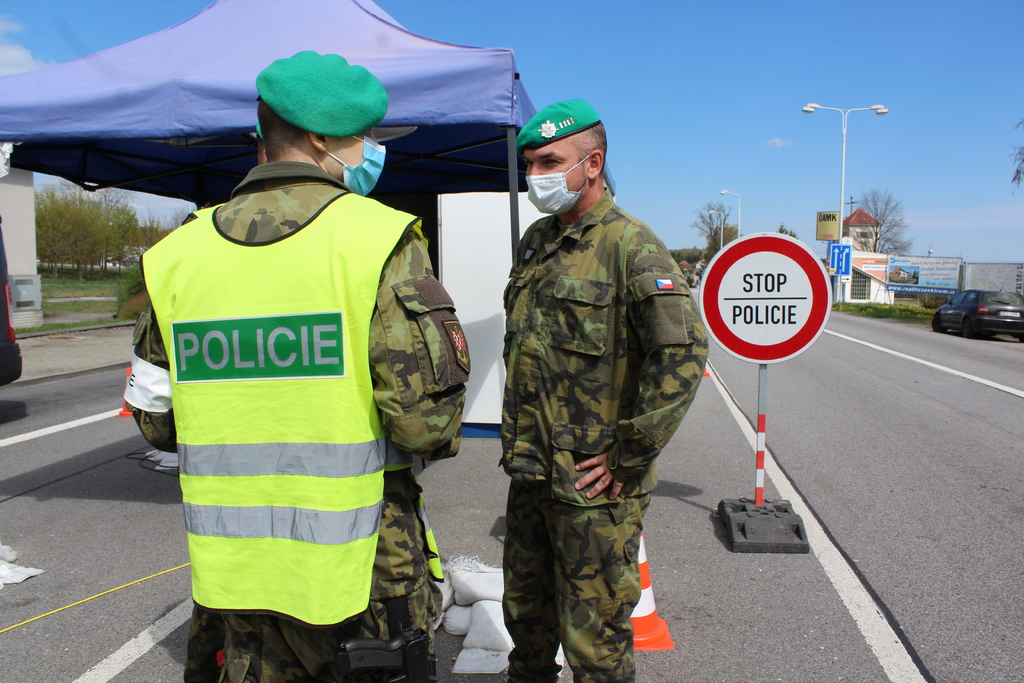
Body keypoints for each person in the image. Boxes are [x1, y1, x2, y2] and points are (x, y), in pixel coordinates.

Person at [124, 50, 467, 682]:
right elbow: (426, 426)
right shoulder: (378, 240)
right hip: (362, 568)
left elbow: (154, 421)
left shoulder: (176, 255)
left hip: (235, 572)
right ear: (320, 139)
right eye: (363, 136)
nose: (370, 150)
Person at [500, 99, 708, 683]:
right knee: (526, 622)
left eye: (548, 162)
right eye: (528, 164)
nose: (534, 175)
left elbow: (683, 352)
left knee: (595, 645)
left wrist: (629, 453)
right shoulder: (537, 240)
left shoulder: (631, 245)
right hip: (531, 472)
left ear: (592, 164)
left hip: (593, 487)